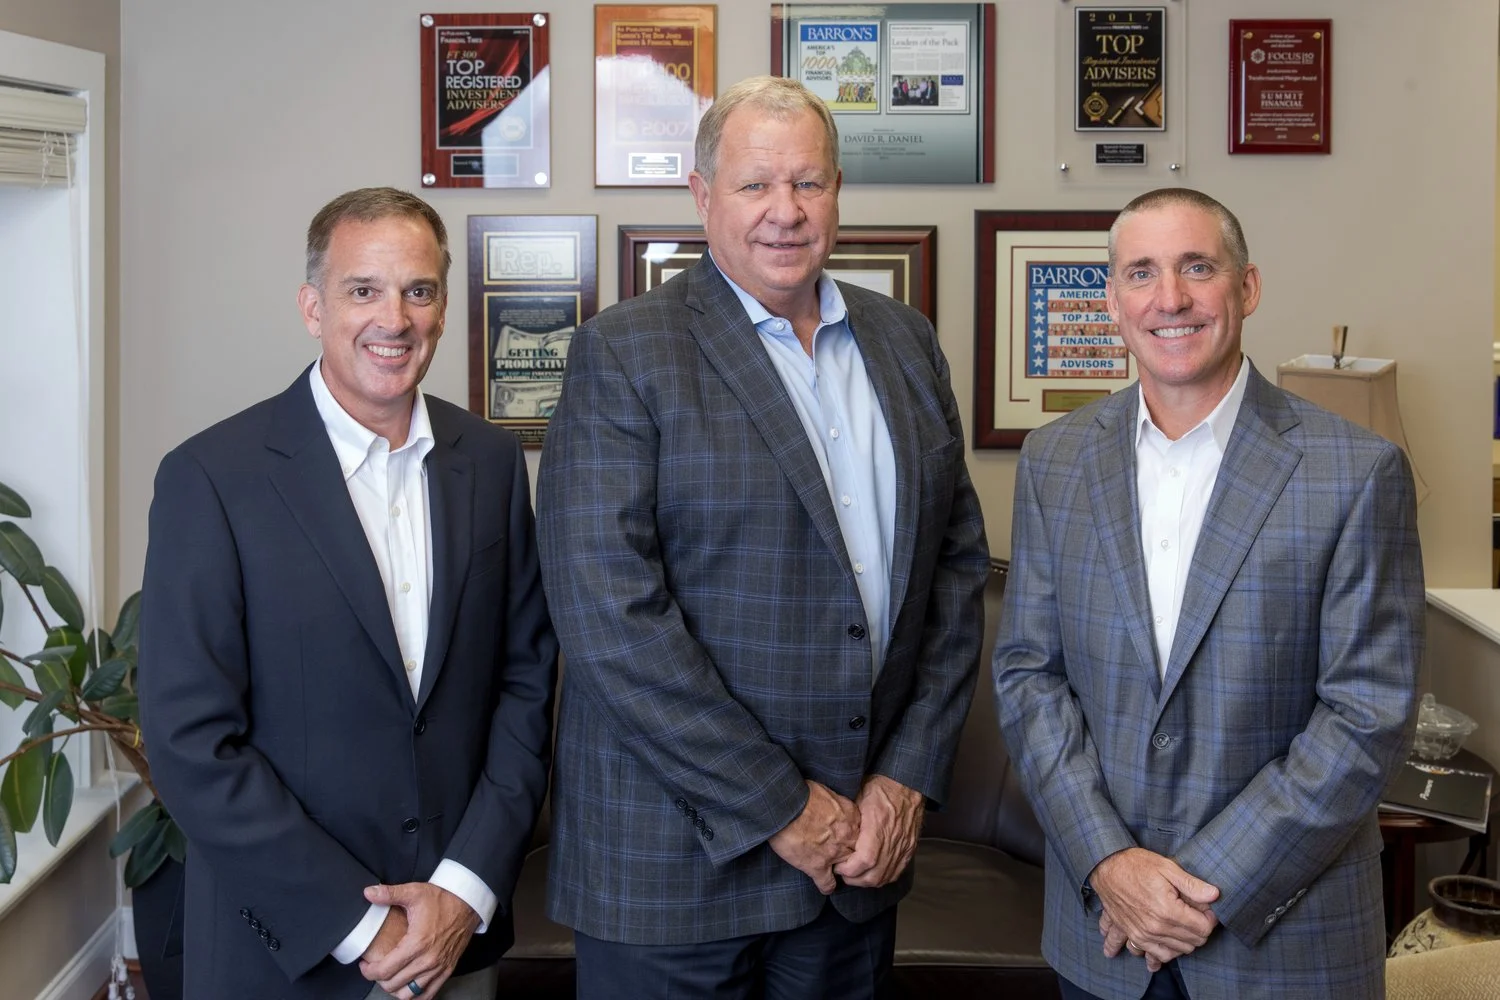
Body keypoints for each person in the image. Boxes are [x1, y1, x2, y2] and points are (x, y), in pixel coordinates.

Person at [536, 75, 989, 999]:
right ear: (703, 197)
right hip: (672, 872)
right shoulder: (624, 352)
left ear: (837, 193)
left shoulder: (905, 341)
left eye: (809, 183)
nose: (785, 211)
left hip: (855, 868)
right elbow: (610, 617)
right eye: (755, 185)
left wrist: (904, 779)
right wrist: (780, 805)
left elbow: (953, 569)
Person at [994, 187, 1424, 999]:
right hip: (1104, 938)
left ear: (1247, 287)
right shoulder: (1054, 461)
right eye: (1141, 274)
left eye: (1198, 267)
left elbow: (1367, 715)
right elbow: (1029, 678)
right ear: (1115, 300)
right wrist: (1109, 862)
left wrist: (1204, 887)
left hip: (1285, 947)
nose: (1171, 299)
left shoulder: (1356, 472)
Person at [138, 187, 558, 1000]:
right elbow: (192, 743)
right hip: (287, 950)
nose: (393, 319)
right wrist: (366, 926)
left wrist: (464, 890)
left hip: (454, 939)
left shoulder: (493, 463)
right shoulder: (211, 479)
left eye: (419, 290)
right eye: (363, 290)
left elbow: (525, 683)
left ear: (443, 306)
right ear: (311, 306)